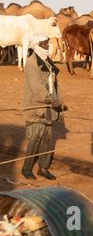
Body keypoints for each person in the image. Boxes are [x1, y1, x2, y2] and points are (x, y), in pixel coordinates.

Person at [21, 35, 63, 180]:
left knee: (47, 140)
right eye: (44, 43)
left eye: (47, 42)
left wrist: (58, 101)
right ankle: (26, 169)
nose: (48, 45)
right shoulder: (32, 63)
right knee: (35, 140)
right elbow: (36, 87)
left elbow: (53, 84)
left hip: (49, 108)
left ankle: (43, 168)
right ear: (37, 45)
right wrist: (51, 99)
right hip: (35, 107)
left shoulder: (46, 61)